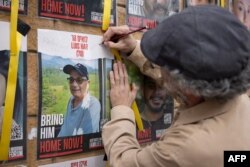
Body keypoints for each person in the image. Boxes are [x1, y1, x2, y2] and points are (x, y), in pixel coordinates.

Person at [101, 5, 250, 166]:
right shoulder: (239, 99)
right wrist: (134, 50)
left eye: (164, 64)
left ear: (189, 87)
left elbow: (124, 163)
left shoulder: (184, 148)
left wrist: (122, 110)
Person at [57, 63, 101, 137]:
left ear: (88, 83)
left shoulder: (92, 104)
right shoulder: (71, 100)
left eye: (79, 80)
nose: (74, 84)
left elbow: (86, 139)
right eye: (71, 80)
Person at [137, 75, 173, 143]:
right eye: (151, 86)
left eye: (161, 87)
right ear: (143, 89)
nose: (156, 92)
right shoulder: (133, 122)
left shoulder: (175, 120)